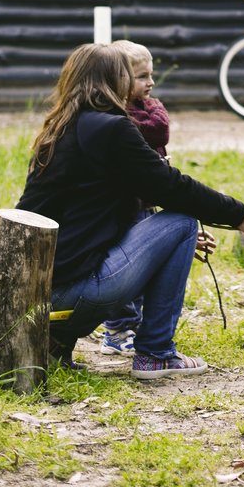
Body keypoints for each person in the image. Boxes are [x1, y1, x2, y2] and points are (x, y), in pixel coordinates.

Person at [16, 43, 244, 378]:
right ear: (113, 80)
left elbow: (88, 212)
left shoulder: (62, 128)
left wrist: (159, 248)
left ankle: (57, 345)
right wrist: (238, 214)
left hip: (40, 296)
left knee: (177, 231)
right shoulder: (111, 129)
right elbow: (171, 186)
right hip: (77, 293)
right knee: (181, 220)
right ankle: (156, 353)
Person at [97, 39, 170, 357]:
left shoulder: (144, 109)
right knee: (127, 263)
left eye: (151, 74)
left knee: (146, 265)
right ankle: (117, 329)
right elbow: (157, 133)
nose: (150, 83)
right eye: (141, 77)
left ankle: (132, 323)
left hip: (145, 200)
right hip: (124, 204)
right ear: (118, 80)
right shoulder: (119, 118)